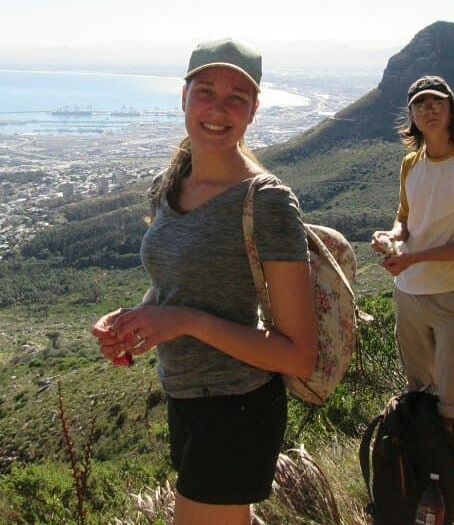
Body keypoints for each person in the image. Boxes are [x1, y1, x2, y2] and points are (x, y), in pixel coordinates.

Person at [92, 38, 317, 525]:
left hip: (236, 408)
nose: (218, 108)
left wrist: (185, 321)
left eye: (237, 96)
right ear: (183, 97)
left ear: (253, 110)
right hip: (186, 398)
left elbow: (299, 355)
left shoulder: (267, 202)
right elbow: (175, 282)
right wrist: (135, 321)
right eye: (206, 91)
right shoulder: (172, 183)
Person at [372, 75, 454, 525]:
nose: (429, 109)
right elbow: (406, 218)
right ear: (411, 114)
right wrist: (392, 237)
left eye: (437, 102)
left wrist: (414, 258)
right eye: (420, 103)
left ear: (451, 110)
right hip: (409, 294)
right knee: (421, 398)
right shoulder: (411, 163)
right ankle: (434, 488)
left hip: (452, 296)